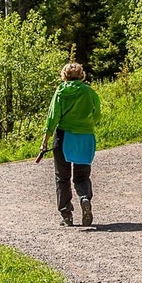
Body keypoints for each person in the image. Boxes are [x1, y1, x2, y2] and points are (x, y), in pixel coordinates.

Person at [42, 61, 101, 226]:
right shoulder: (89, 92)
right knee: (82, 175)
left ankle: (66, 214)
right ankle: (84, 198)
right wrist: (87, 123)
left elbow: (52, 117)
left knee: (62, 177)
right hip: (85, 137)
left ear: (64, 76)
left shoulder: (60, 92)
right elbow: (97, 115)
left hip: (64, 136)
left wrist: (44, 141)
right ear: (82, 75)